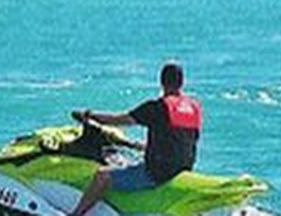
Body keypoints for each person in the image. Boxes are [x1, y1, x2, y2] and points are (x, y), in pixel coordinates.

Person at [68, 61, 204, 216]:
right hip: (184, 168)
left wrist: (89, 115)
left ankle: (76, 213)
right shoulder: (195, 107)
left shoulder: (157, 106)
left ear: (162, 82)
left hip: (157, 174)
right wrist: (144, 146)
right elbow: (184, 138)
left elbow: (119, 120)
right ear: (182, 82)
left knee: (102, 175)